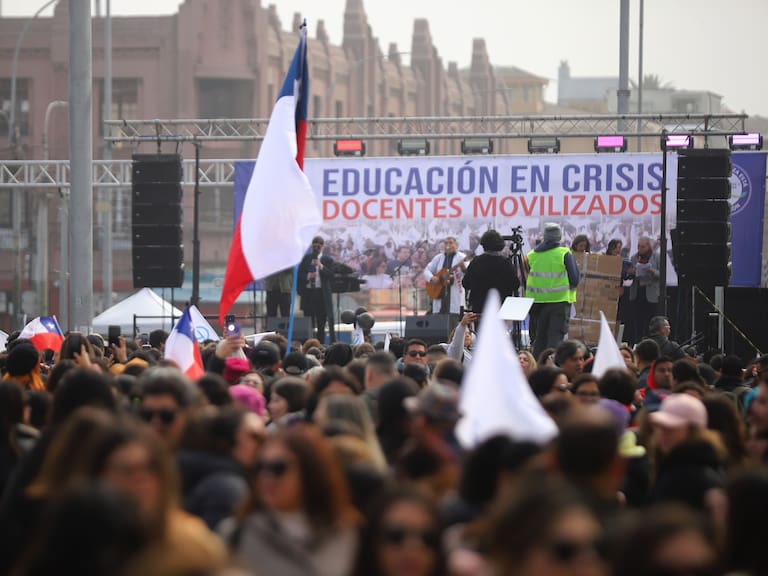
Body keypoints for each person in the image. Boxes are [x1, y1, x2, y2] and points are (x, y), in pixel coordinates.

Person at [219, 424, 359, 576]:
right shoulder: (237, 534)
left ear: (309, 471)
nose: (267, 476)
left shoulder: (348, 533)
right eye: (260, 467)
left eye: (278, 468)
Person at [525, 223, 580, 359]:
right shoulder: (564, 253)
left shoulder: (531, 255)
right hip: (559, 303)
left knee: (539, 339)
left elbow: (525, 277)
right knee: (554, 341)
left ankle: (537, 369)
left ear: (545, 236)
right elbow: (574, 279)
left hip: (536, 303)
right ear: (559, 237)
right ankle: (551, 372)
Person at [462, 229, 519, 316]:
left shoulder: (476, 261)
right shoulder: (506, 263)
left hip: (479, 309)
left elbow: (465, 283)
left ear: (483, 244)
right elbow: (515, 284)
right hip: (500, 308)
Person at [298, 236, 336, 343]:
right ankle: (309, 344)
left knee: (321, 322)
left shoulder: (328, 260)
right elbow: (299, 275)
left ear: (322, 247)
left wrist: (321, 266)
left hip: (321, 295)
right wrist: (308, 276)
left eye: (318, 247)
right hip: (309, 293)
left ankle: (320, 344)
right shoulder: (306, 258)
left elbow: (331, 275)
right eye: (314, 246)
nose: (316, 249)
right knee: (309, 321)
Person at [424, 236, 467, 320]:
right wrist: (432, 278)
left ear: (456, 245)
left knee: (454, 324)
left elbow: (467, 272)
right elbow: (427, 270)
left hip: (455, 296)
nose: (448, 245)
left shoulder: (462, 257)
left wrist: (463, 267)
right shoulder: (439, 257)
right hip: (439, 296)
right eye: (446, 243)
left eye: (450, 243)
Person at [627, 236, 660, 345]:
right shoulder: (634, 258)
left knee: (650, 322)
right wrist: (631, 273)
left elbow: (663, 275)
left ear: (648, 246)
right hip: (637, 293)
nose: (640, 249)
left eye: (642, 246)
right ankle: (637, 344)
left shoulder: (656, 257)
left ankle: (651, 345)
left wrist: (651, 271)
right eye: (638, 246)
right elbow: (629, 275)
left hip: (651, 294)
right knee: (637, 322)